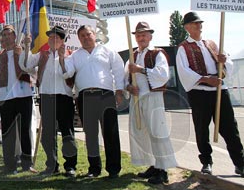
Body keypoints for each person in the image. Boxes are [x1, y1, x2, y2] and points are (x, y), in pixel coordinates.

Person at [176, 11, 244, 176]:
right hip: (200, 93)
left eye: (200, 23)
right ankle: (206, 162)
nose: (199, 25)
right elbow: (183, 72)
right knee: (202, 128)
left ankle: (240, 163)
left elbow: (228, 63)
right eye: (194, 23)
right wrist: (205, 79)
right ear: (187, 27)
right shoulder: (183, 48)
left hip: (220, 91)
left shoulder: (212, 44)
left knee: (230, 128)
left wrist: (224, 61)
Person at [64, 25, 124, 178]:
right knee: (90, 134)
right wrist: (61, 57)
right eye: (82, 35)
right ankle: (94, 168)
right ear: (78, 39)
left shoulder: (107, 51)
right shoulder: (74, 56)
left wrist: (119, 91)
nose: (85, 37)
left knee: (110, 132)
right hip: (85, 97)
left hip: (106, 95)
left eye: (88, 34)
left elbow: (118, 70)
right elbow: (67, 72)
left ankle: (113, 169)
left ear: (94, 34)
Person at [125, 22, 177, 184]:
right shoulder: (132, 55)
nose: (141, 38)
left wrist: (141, 69)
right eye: (138, 35)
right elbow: (124, 77)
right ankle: (154, 164)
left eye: (144, 35)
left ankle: (163, 170)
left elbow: (163, 74)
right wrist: (128, 87)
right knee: (141, 132)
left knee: (157, 132)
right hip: (136, 98)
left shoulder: (157, 53)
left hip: (152, 97)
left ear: (150, 36)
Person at [23, 26, 77, 177]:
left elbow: (68, 74)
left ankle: (70, 166)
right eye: (51, 37)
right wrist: (27, 46)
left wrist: (61, 59)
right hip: (46, 98)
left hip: (64, 98)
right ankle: (52, 165)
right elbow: (26, 65)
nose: (53, 40)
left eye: (57, 38)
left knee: (67, 132)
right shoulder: (42, 55)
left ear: (62, 40)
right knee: (48, 135)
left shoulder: (70, 56)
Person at [0, 24, 36, 174]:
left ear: (14, 36)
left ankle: (26, 163)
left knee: (25, 130)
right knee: (8, 133)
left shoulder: (24, 51)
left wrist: (24, 52)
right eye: (3, 35)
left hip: (24, 96)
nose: (6, 37)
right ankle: (9, 165)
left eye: (8, 34)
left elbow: (31, 70)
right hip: (6, 98)